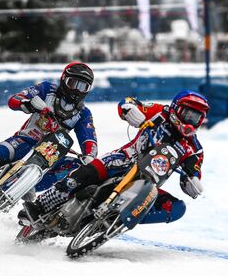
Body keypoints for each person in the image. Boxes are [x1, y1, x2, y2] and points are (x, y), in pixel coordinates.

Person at [21, 90, 209, 226]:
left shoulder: (194, 149)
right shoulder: (162, 113)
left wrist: (192, 181)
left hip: (147, 184)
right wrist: (129, 109)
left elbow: (193, 171)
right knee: (82, 175)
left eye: (196, 117)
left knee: (176, 208)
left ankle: (118, 220)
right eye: (188, 114)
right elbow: (130, 102)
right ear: (177, 108)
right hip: (122, 159)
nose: (190, 120)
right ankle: (40, 206)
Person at [0, 62, 98, 204]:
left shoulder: (83, 113)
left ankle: (37, 200)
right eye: (73, 83)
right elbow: (14, 99)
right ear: (63, 80)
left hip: (50, 152)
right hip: (26, 140)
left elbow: (89, 139)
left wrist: (89, 155)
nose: (77, 90)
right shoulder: (47, 89)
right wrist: (27, 104)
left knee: (75, 167)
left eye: (83, 86)